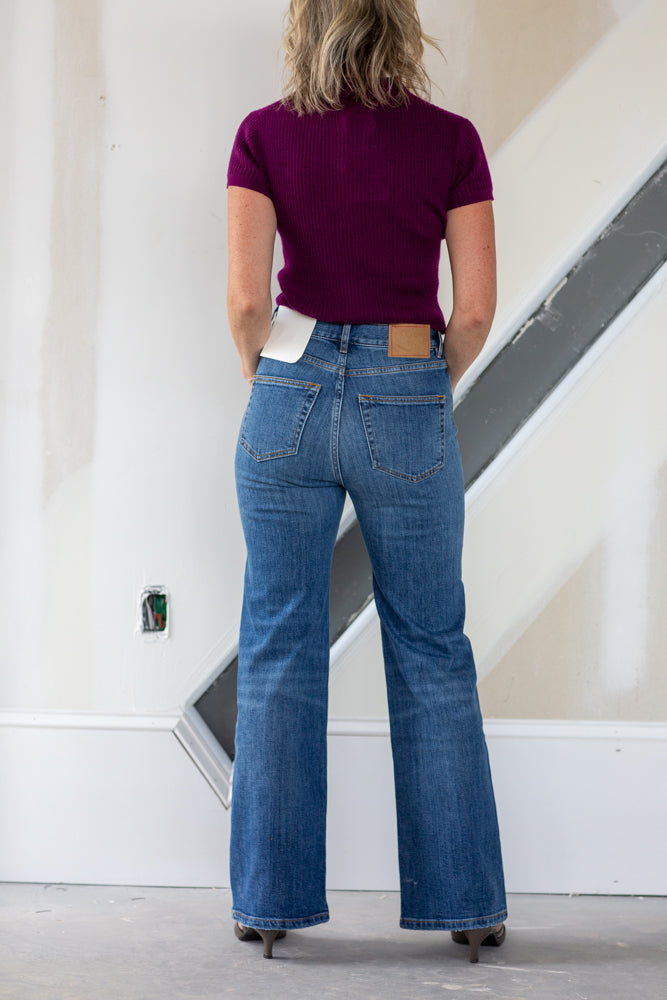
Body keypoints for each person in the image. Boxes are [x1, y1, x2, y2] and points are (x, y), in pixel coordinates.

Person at [226, 0, 507, 963]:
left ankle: (267, 904)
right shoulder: (451, 141)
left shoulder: (263, 135)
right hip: (405, 387)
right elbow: (471, 314)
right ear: (402, 26)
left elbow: (242, 301)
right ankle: (467, 904)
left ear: (305, 26)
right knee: (430, 643)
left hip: (287, 394)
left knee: (276, 644)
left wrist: (280, 385)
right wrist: (418, 386)